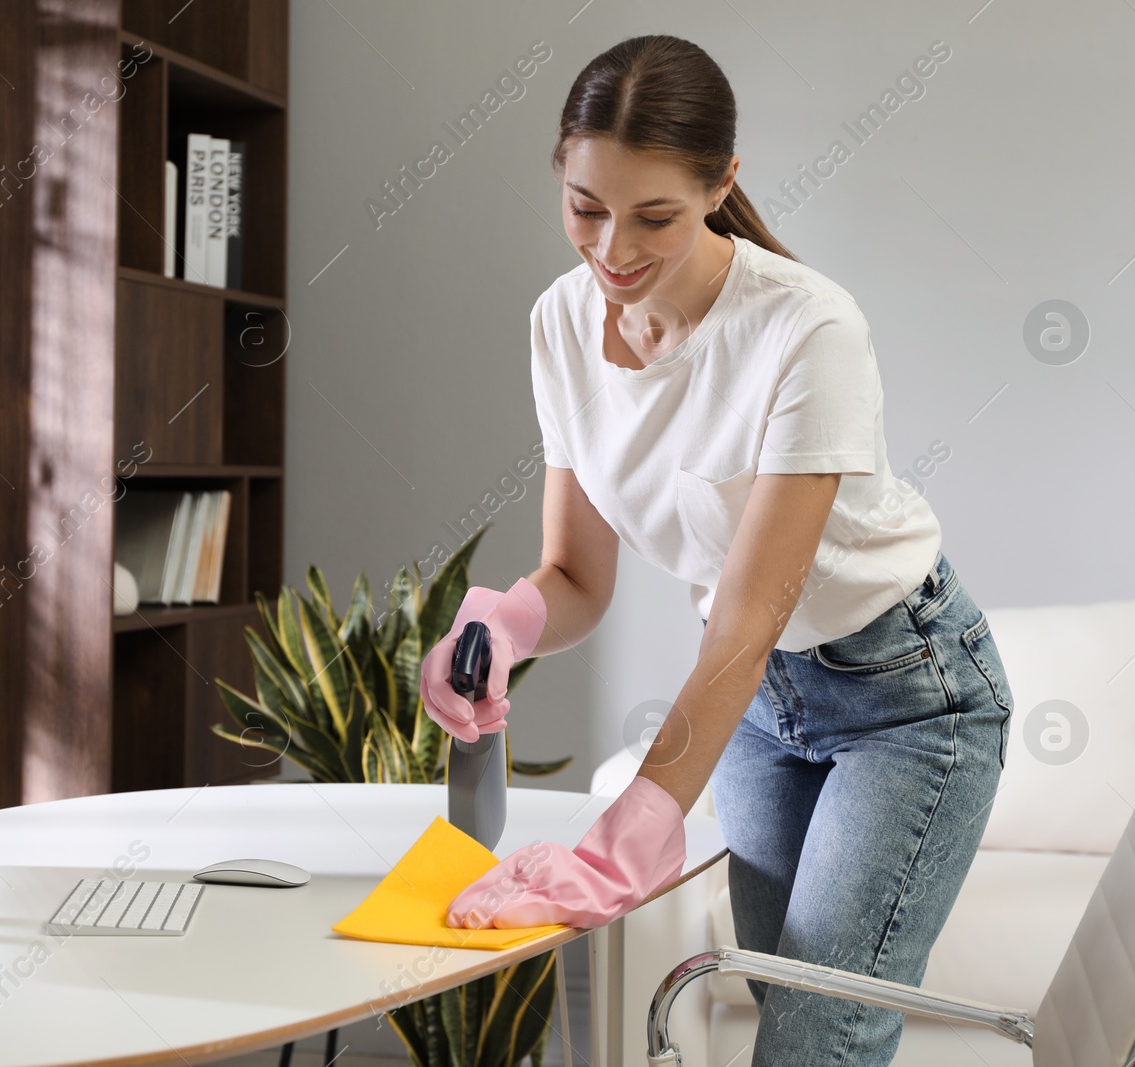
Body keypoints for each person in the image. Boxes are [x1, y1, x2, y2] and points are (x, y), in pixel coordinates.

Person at [418, 34, 1014, 1067]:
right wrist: (505, 619)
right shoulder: (559, 323)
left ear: (719, 183)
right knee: (768, 1005)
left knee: (813, 1035)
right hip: (760, 711)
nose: (610, 249)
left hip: (907, 699)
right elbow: (578, 576)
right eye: (583, 206)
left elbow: (749, 612)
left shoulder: (803, 328)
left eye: (653, 216)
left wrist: (632, 823)